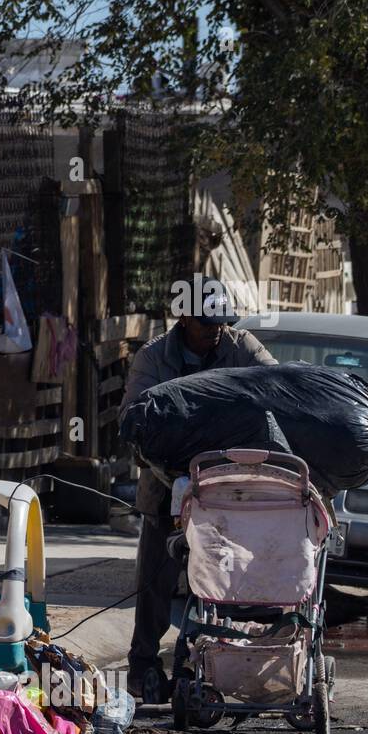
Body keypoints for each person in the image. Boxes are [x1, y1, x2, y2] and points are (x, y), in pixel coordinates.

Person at [120, 281, 276, 702]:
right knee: (157, 578)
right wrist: (173, 468)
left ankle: (202, 660)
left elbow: (277, 389)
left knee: (221, 581)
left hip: (228, 491)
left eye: (222, 323)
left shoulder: (241, 347)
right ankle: (144, 665)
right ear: (184, 318)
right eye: (207, 323)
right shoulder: (153, 358)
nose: (216, 332)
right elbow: (134, 423)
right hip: (166, 485)